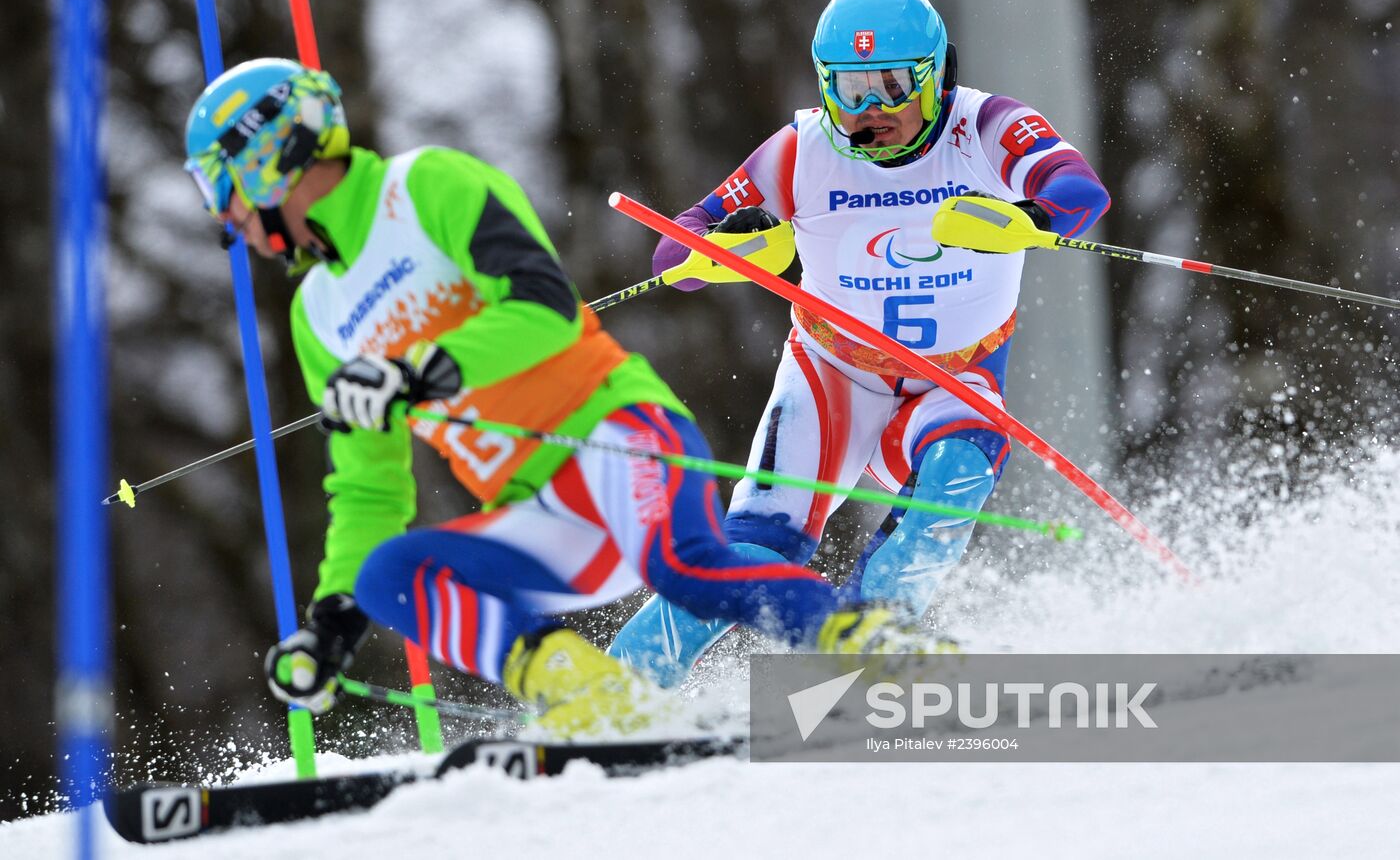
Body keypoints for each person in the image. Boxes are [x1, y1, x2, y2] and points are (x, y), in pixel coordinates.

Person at [181, 58, 920, 737]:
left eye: (225, 192)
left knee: (685, 567)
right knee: (388, 574)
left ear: (267, 154)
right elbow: (368, 485)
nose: (231, 224)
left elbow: (543, 306)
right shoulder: (316, 316)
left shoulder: (424, 187)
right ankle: (598, 699)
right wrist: (331, 623)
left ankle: (866, 640)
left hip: (617, 433)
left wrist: (414, 370)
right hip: (548, 515)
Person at [609, 0, 1111, 687]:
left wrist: (1031, 219)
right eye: (848, 89)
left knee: (951, 485)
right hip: (832, 378)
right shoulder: (802, 149)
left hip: (954, 377)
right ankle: (608, 696)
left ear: (937, 77)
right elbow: (673, 247)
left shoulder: (987, 126)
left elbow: (1079, 191)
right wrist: (716, 255)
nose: (870, 110)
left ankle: (848, 679)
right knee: (755, 553)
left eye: (892, 85)